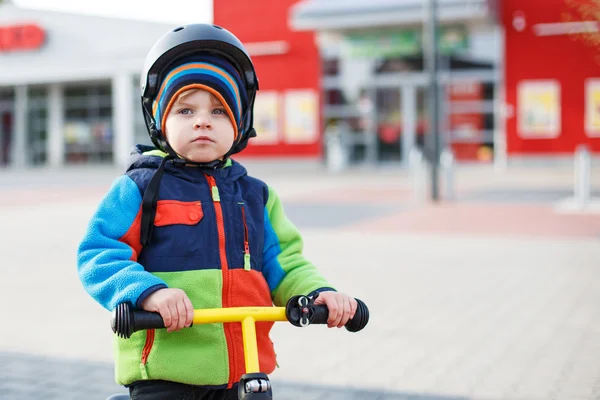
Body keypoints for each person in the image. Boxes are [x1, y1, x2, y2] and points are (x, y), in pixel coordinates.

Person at [77, 24, 358, 400]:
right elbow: (99, 254)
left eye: (219, 111)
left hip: (245, 369)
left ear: (240, 124)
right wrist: (147, 292)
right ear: (160, 120)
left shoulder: (256, 195)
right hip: (168, 370)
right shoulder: (140, 187)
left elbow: (285, 262)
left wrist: (317, 292)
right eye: (186, 109)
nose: (202, 120)